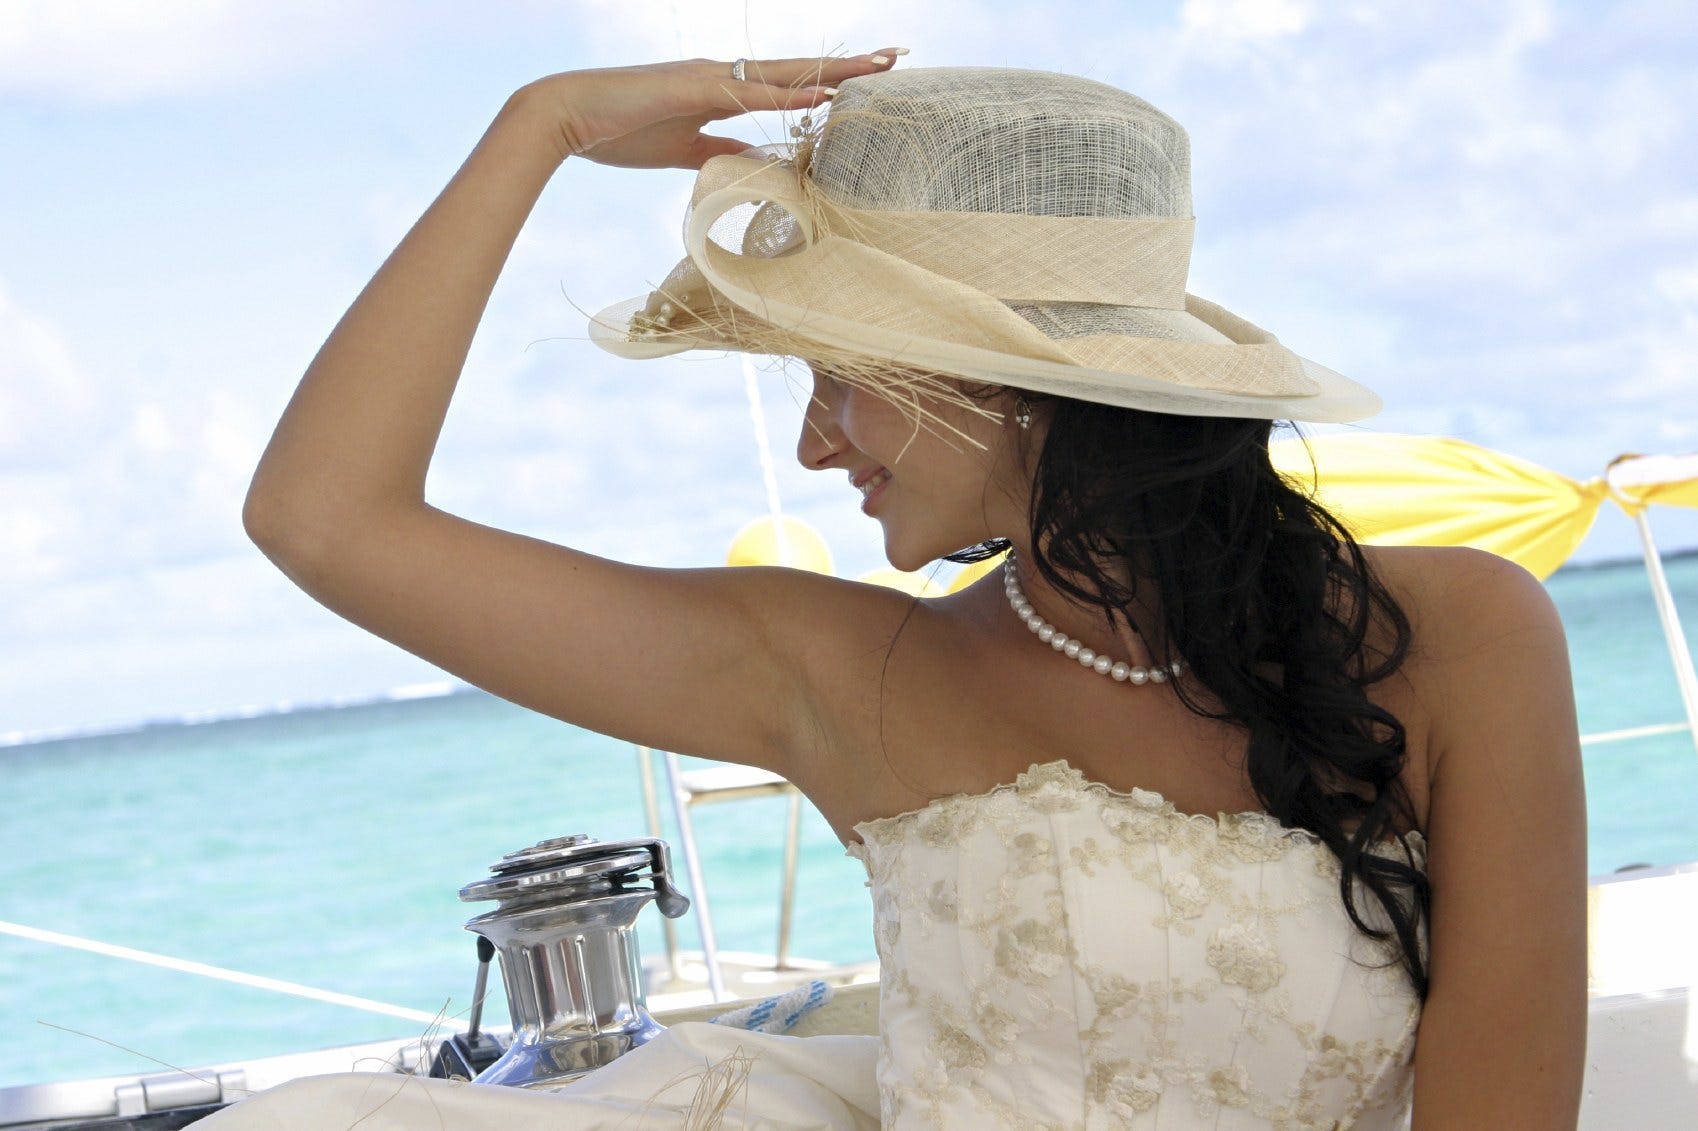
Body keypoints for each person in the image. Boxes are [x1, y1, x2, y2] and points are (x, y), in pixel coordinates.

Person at [215, 50, 1586, 1129]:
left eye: (838, 374)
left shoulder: (1458, 636)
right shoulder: (826, 670)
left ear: (1002, 382)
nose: (815, 442)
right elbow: (324, 521)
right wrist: (541, 127)